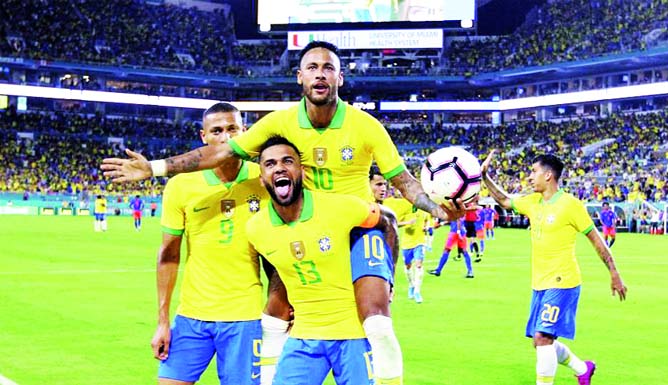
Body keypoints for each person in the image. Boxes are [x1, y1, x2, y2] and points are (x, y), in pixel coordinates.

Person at [102, 40, 466, 384]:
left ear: (340, 77)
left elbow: (402, 180)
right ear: (300, 77)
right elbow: (221, 152)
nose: (320, 73)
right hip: (299, 229)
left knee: (375, 321)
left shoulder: (366, 126)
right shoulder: (280, 123)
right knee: (275, 313)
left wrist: (437, 209)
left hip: (356, 229)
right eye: (312, 67)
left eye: (328, 68)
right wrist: (155, 167)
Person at [246, 136, 397, 385]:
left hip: (354, 336)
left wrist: (386, 276)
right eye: (270, 164)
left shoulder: (340, 208)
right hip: (303, 338)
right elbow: (275, 269)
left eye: (288, 161)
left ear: (302, 172)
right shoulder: (256, 229)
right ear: (262, 179)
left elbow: (388, 221)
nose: (280, 168)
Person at [481, 151, 628, 385]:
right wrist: (484, 177)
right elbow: (504, 200)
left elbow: (596, 239)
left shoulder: (570, 205)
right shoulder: (532, 202)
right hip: (539, 283)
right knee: (540, 341)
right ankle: (583, 369)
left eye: (534, 172)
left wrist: (614, 272)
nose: (529, 177)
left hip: (563, 281)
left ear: (548, 175)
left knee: (542, 338)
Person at [151, 103, 268, 385]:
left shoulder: (262, 179)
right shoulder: (181, 185)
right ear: (204, 136)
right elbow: (168, 256)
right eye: (216, 131)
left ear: (245, 132)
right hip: (192, 315)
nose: (225, 137)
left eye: (232, 129)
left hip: (245, 316)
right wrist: (163, 321)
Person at [384, 192, 428, 303]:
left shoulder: (423, 211)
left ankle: (417, 291)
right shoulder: (406, 210)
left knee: (418, 264)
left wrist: (426, 227)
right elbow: (395, 223)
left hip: (420, 241)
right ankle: (411, 285)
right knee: (408, 266)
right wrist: (407, 222)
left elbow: (427, 221)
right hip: (407, 242)